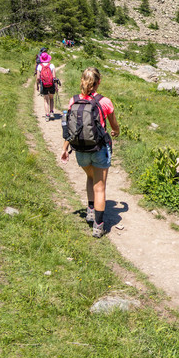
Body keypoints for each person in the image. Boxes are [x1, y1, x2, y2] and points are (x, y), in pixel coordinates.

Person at [60, 67, 120, 238]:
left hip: (80, 149)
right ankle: (98, 226)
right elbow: (114, 125)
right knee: (99, 187)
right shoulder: (105, 101)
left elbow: (72, 129)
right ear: (98, 82)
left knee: (90, 177)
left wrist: (65, 149)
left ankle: (90, 211)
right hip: (99, 148)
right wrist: (116, 131)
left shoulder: (74, 100)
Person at [36, 50, 61, 119]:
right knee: (51, 98)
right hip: (51, 84)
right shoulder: (51, 65)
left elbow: (38, 77)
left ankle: (47, 114)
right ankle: (52, 112)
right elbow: (54, 77)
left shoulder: (39, 66)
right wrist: (56, 86)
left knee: (45, 99)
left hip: (44, 85)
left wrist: (37, 85)